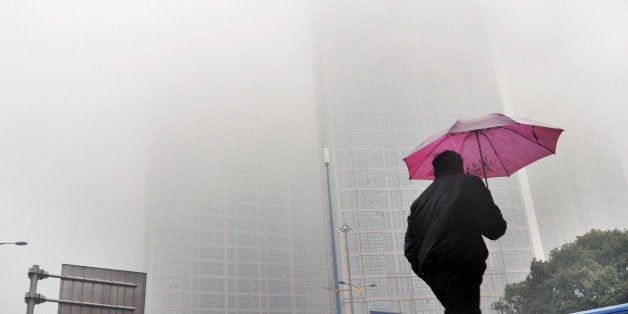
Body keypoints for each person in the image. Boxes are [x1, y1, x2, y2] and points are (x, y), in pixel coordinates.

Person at [404, 150, 507, 313]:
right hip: (461, 262)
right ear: (461, 167)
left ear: (435, 171)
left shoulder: (419, 203)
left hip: (431, 271)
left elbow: (410, 248)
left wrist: (426, 269)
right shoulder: (470, 184)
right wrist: (488, 202)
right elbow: (495, 229)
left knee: (460, 308)